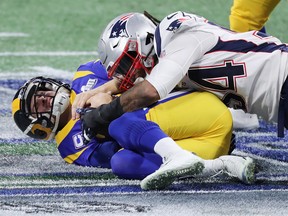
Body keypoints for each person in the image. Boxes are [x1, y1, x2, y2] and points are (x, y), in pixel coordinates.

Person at [11, 60, 255, 190]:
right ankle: (218, 166)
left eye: (41, 92)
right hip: (199, 144)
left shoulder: (85, 74)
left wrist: (107, 94)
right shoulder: (68, 146)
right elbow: (115, 152)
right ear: (38, 128)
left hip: (197, 109)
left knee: (111, 116)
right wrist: (100, 116)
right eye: (37, 104)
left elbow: (143, 66)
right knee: (122, 162)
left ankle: (237, 99)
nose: (43, 97)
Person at [72, 11, 288, 139]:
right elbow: (152, 79)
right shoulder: (171, 53)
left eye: (127, 62)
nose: (130, 72)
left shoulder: (179, 38)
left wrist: (103, 115)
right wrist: (104, 89)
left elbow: (149, 91)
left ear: (142, 41)